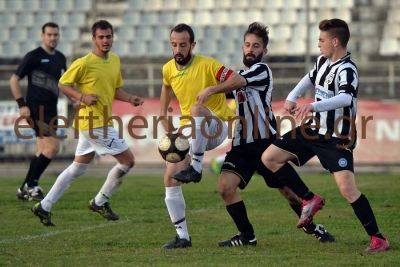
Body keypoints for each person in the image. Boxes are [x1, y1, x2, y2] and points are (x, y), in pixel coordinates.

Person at [196, 22, 334, 247]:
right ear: (242, 48)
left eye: (256, 46)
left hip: (265, 146)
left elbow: (236, 83)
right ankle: (247, 236)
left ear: (264, 51)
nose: (250, 49)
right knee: (224, 187)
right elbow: (225, 90)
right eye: (247, 45)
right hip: (241, 146)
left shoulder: (262, 71)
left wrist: (210, 89)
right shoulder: (237, 76)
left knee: (290, 195)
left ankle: (313, 226)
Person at [261, 19, 389, 253]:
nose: (318, 44)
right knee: (270, 157)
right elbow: (309, 78)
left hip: (338, 136)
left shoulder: (347, 69)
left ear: (335, 41)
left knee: (348, 189)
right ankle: (309, 198)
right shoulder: (322, 61)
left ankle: (378, 238)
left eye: (322, 40)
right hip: (313, 129)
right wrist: (292, 95)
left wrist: (312, 106)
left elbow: (345, 98)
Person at [31, 20, 144, 227]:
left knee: (78, 169)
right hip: (94, 123)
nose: (105, 40)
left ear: (112, 37)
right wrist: (82, 97)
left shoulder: (115, 60)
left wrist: (129, 99)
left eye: (108, 36)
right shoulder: (84, 62)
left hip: (99, 122)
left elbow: (114, 88)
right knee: (128, 161)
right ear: (94, 39)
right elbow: (63, 83)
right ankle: (100, 202)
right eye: (101, 37)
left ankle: (44, 206)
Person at [160, 23, 246, 248]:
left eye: (183, 45)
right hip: (191, 129)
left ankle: (196, 168)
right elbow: (166, 86)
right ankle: (183, 237)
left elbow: (239, 80)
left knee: (197, 109)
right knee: (170, 175)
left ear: (192, 45)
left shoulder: (208, 65)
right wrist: (162, 113)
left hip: (216, 124)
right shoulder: (168, 68)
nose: (178, 49)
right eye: (174, 45)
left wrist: (211, 89)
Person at [10, 22, 67, 201]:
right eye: (49, 34)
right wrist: (22, 104)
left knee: (42, 149)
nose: (53, 38)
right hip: (36, 109)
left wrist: (74, 96)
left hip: (52, 109)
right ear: (43, 36)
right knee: (53, 147)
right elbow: (14, 80)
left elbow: (63, 83)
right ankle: (32, 185)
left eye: (55, 35)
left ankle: (24, 188)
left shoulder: (60, 58)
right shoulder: (33, 56)